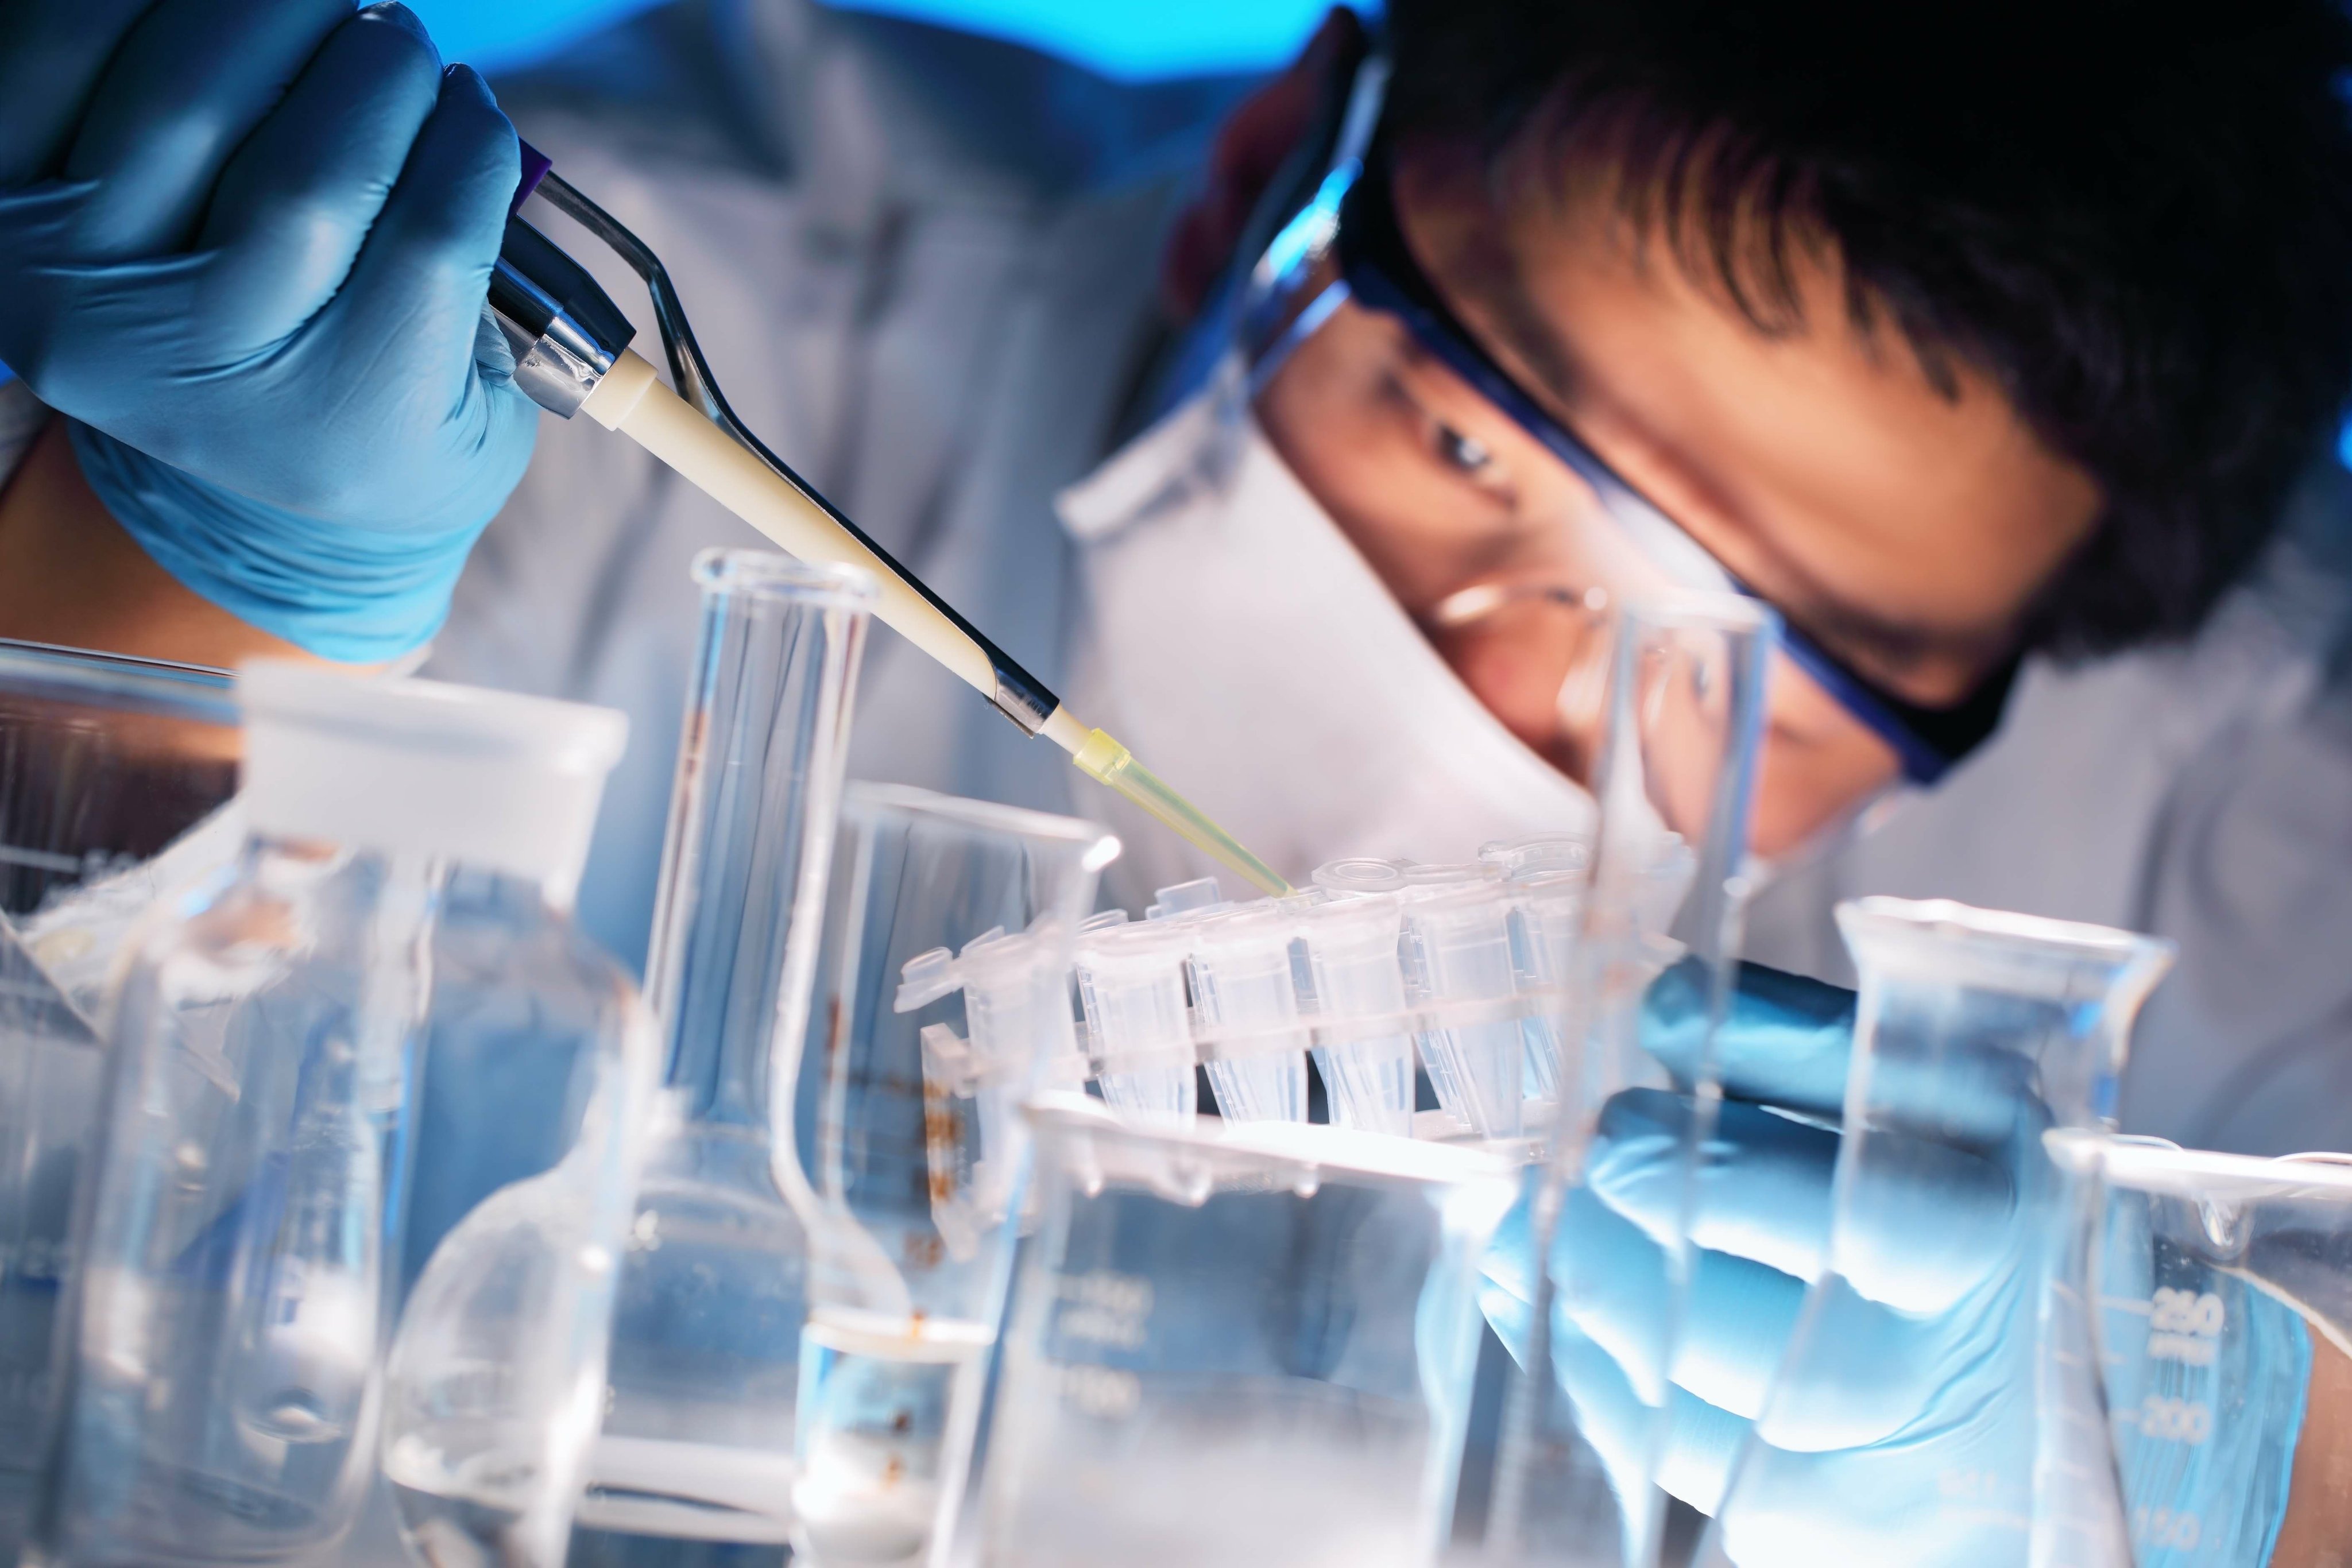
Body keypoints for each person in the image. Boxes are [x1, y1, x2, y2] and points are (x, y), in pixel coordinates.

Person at [3, 1, 2352, 1559]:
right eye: (1465, 440)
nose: (1524, 698)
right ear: (1262, 186)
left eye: (1781, 660)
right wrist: (167, 572)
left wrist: (2183, 1431)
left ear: (2029, 665)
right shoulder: (662, 267)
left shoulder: (2257, 777)